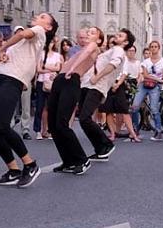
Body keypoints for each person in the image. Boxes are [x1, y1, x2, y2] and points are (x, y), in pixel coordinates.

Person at [0, 13, 57, 188]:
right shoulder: (22, 44)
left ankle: (30, 164)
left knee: (2, 125)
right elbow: (8, 58)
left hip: (13, 79)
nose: (37, 17)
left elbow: (23, 34)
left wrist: (2, 47)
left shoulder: (39, 32)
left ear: (48, 27)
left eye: (42, 16)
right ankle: (13, 170)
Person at [48, 27, 104, 175]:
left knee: (62, 123)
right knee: (53, 125)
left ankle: (81, 159)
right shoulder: (80, 48)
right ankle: (68, 161)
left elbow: (85, 53)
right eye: (88, 32)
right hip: (61, 79)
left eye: (92, 33)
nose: (88, 34)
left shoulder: (94, 47)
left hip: (71, 80)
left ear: (98, 39)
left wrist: (71, 68)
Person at [79, 30, 131, 161]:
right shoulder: (111, 50)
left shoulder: (119, 50)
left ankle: (106, 145)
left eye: (120, 36)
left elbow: (113, 64)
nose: (116, 36)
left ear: (126, 42)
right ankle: (101, 149)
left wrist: (97, 77)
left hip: (96, 87)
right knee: (84, 119)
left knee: (85, 118)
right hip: (89, 85)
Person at [131, 41, 163, 140]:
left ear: (159, 48)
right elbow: (146, 75)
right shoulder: (146, 62)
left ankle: (158, 131)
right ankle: (135, 128)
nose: (153, 48)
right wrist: (158, 79)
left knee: (154, 109)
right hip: (144, 85)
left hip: (155, 87)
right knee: (134, 106)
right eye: (151, 47)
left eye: (155, 47)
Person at [106, 45, 142, 141]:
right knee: (109, 110)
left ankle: (133, 134)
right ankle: (113, 134)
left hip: (120, 84)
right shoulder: (106, 56)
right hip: (108, 83)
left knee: (124, 110)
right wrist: (111, 83)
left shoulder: (123, 58)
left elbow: (124, 72)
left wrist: (117, 84)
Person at [33, 38, 63, 139]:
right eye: (48, 42)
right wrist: (50, 68)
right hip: (41, 82)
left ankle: (49, 130)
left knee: (51, 107)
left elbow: (58, 68)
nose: (50, 44)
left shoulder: (57, 55)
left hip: (52, 82)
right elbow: (39, 69)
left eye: (51, 42)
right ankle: (38, 130)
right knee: (39, 107)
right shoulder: (40, 54)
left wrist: (46, 66)